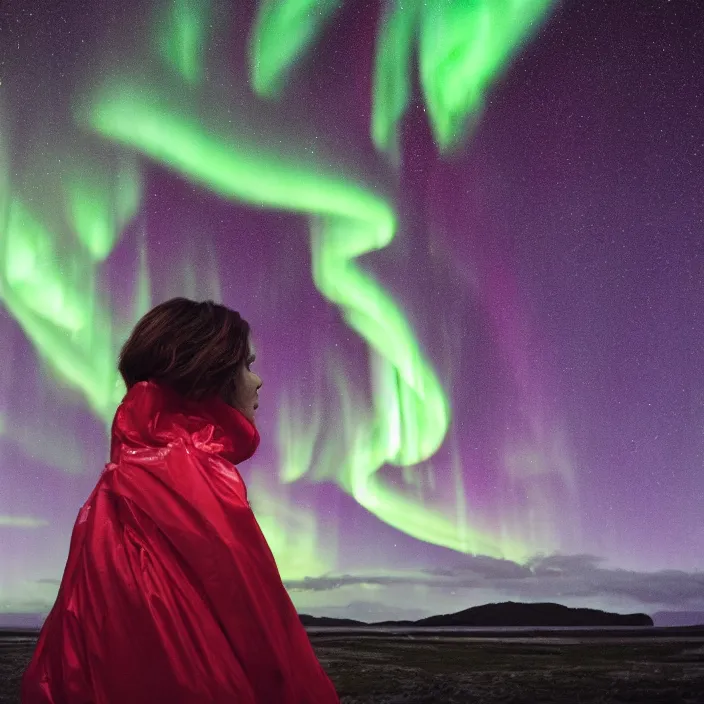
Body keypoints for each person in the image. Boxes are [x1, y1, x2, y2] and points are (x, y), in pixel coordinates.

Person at [22, 298, 340, 704]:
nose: (257, 381)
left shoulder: (116, 485)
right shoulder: (196, 479)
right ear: (211, 372)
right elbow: (267, 640)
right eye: (246, 365)